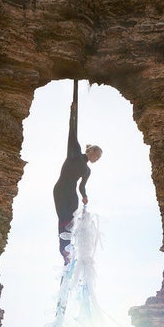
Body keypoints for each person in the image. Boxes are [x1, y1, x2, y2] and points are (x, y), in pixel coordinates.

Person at [52, 80, 102, 264]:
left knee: (70, 223)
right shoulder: (74, 152)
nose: (96, 158)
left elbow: (82, 187)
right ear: (90, 151)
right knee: (62, 219)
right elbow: (71, 133)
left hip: (72, 194)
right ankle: (62, 251)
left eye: (98, 158)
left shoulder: (87, 170)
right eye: (96, 154)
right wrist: (72, 113)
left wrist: (85, 196)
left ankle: (69, 250)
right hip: (60, 190)